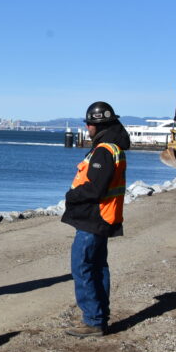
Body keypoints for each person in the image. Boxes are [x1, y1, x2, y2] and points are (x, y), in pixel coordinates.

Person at [60, 101, 130, 338]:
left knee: (83, 267)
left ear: (97, 125)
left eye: (89, 123)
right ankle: (99, 316)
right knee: (98, 267)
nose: (87, 127)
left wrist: (71, 195)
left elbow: (96, 188)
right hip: (105, 217)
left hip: (94, 218)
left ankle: (92, 320)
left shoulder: (104, 151)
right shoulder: (113, 148)